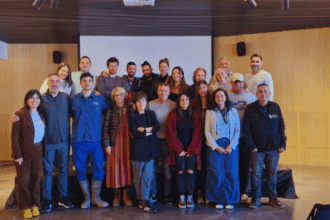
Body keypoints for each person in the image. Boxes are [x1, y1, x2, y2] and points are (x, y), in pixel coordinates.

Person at [243, 84, 286, 209]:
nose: (263, 94)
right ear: (256, 94)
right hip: (257, 150)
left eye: (266, 91)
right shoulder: (250, 108)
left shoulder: (275, 107)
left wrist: (283, 144)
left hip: (274, 149)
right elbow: (246, 129)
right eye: (260, 91)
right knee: (256, 176)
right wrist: (252, 146)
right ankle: (256, 199)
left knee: (272, 175)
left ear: (269, 93)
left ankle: (273, 198)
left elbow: (281, 127)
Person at [69, 72, 109, 209]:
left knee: (98, 169)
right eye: (84, 81)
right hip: (78, 141)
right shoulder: (74, 99)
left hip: (96, 141)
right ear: (80, 83)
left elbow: (108, 114)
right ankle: (87, 198)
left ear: (93, 83)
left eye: (89, 81)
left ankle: (96, 198)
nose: (87, 83)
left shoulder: (100, 99)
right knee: (80, 170)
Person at [11, 90, 45, 219]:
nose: (34, 100)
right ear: (26, 100)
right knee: (24, 180)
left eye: (37, 98)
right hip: (23, 151)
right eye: (31, 98)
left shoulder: (41, 113)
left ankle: (35, 205)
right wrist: (17, 154)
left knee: (36, 179)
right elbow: (14, 136)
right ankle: (26, 207)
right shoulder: (20, 114)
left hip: (38, 149)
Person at [205, 88, 240, 210]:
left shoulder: (234, 111)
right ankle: (217, 199)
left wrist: (231, 146)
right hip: (215, 145)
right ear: (214, 99)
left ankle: (229, 199)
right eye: (217, 96)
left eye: (222, 96)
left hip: (230, 145)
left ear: (226, 97)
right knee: (216, 172)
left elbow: (237, 130)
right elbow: (207, 131)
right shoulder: (210, 112)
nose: (220, 98)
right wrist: (215, 146)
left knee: (231, 172)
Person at [167, 93, 202, 209]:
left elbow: (198, 134)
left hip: (191, 149)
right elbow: (170, 133)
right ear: (178, 102)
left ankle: (190, 196)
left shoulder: (195, 115)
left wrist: (191, 149)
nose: (184, 102)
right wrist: (179, 149)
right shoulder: (173, 115)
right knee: (180, 172)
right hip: (178, 150)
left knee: (190, 172)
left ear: (189, 101)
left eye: (186, 99)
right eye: (182, 100)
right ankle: (182, 196)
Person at [228, 73, 257, 203]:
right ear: (231, 83)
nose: (237, 84)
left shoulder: (250, 97)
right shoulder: (227, 96)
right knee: (231, 166)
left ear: (243, 83)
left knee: (245, 166)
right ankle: (232, 191)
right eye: (235, 82)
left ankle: (243, 193)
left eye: (240, 82)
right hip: (230, 138)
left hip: (245, 137)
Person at [129, 91, 160, 213]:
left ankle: (145, 201)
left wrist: (145, 129)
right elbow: (135, 133)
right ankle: (140, 200)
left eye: (143, 100)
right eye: (138, 101)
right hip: (137, 151)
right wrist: (149, 131)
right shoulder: (132, 116)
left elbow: (157, 127)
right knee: (138, 177)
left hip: (150, 150)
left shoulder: (151, 113)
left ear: (146, 102)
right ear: (135, 103)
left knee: (147, 176)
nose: (141, 103)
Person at [102, 87, 133, 207]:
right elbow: (105, 129)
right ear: (113, 98)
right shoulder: (110, 110)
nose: (119, 97)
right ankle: (117, 195)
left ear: (125, 96)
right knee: (116, 169)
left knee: (127, 168)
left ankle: (126, 195)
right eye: (116, 95)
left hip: (129, 143)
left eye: (121, 94)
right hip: (115, 142)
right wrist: (107, 144)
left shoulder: (131, 108)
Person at [147, 83, 176, 204]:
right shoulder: (150, 104)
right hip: (153, 140)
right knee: (152, 168)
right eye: (161, 90)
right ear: (157, 91)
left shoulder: (173, 105)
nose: (163, 93)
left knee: (167, 168)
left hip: (167, 141)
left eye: (165, 91)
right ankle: (153, 193)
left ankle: (167, 194)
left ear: (169, 92)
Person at [190, 80, 212, 204]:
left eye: (204, 87)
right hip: (198, 139)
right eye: (200, 88)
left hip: (211, 140)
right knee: (199, 167)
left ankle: (208, 193)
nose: (202, 89)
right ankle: (199, 193)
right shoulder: (193, 104)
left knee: (210, 167)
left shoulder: (213, 102)